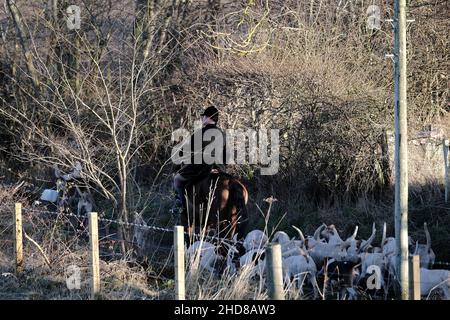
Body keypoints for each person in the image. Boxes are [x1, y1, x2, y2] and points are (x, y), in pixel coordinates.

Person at [170, 106, 227, 215]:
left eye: (204, 116)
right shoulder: (223, 134)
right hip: (220, 169)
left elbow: (185, 150)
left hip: (201, 169)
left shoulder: (200, 133)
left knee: (177, 179)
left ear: (208, 118)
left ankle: (181, 207)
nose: (202, 119)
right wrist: (220, 168)